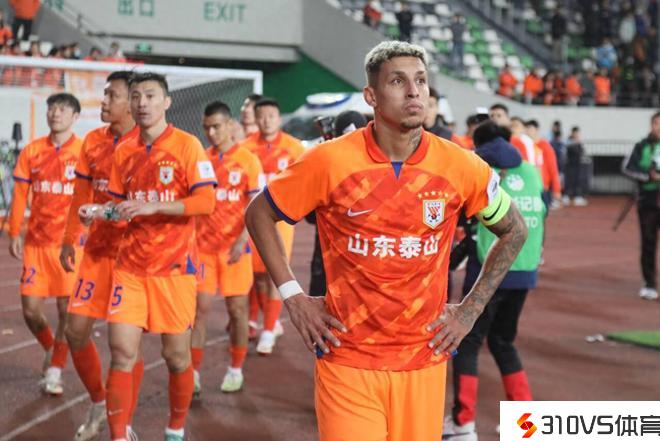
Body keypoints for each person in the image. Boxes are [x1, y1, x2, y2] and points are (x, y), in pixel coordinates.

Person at [245, 40, 527, 441]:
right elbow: (259, 213)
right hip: (348, 359)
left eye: (421, 81)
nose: (414, 92)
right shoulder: (328, 161)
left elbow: (515, 230)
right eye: (398, 81)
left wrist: (470, 311)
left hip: (424, 360)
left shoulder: (462, 165)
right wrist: (293, 297)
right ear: (371, 96)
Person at [92, 72, 217, 441]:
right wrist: (98, 212)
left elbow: (205, 202)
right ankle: (119, 435)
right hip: (130, 268)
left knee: (176, 357)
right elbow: (119, 206)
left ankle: (174, 429)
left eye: (150, 95)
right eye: (136, 96)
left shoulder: (188, 145)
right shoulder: (124, 151)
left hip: (174, 270)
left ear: (167, 102)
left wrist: (153, 207)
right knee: (121, 352)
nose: (142, 103)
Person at [444, 121, 544, 440]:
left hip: (491, 270)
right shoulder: (531, 172)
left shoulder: (482, 167)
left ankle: (463, 423)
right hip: (525, 270)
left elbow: (463, 214)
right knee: (503, 341)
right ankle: (525, 422)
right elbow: (542, 213)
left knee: (468, 342)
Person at [59, 71, 139, 441]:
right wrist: (68, 238)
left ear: (131, 102)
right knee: (75, 332)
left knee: (126, 346)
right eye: (104, 94)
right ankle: (98, 401)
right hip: (95, 252)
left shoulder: (146, 145)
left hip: (134, 258)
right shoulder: (92, 140)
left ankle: (124, 423)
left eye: (111, 95)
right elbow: (80, 196)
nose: (104, 101)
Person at [8, 93, 82, 395]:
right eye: (52, 108)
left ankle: (55, 370)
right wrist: (14, 230)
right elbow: (20, 195)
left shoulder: (83, 153)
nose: (55, 113)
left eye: (62, 109)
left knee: (66, 309)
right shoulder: (33, 150)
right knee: (30, 310)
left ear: (75, 117)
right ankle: (52, 347)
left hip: (69, 245)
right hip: (37, 244)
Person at [191, 101, 262, 394]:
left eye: (216, 126)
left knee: (237, 311)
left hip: (235, 250)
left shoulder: (248, 161)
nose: (211, 133)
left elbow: (256, 207)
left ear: (230, 125)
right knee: (199, 311)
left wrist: (243, 239)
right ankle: (193, 373)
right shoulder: (201, 160)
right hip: (203, 249)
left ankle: (235, 369)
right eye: (207, 127)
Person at [239, 97, 304, 355]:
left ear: (279, 118)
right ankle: (263, 320)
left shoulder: (294, 147)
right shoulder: (245, 149)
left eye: (272, 116)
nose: (267, 121)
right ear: (256, 118)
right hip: (252, 217)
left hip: (281, 219)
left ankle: (268, 329)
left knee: (275, 271)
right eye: (262, 116)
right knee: (256, 275)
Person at [305, 110, 368, 297]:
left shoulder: (381, 166)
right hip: (329, 260)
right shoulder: (325, 165)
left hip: (363, 258)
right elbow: (309, 216)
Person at [622, 112, 660, 301]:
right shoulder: (641, 145)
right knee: (648, 242)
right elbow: (627, 167)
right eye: (656, 123)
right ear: (651, 125)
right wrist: (647, 175)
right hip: (648, 201)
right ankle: (649, 283)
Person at [525, 119, 562, 209]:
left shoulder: (545, 146)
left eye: (530, 129)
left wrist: (556, 189)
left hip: (543, 187)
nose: (527, 132)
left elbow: (553, 168)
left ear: (537, 130)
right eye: (526, 129)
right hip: (528, 186)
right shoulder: (525, 146)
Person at [563, 126, 587, 206]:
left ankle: (577, 197)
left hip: (577, 165)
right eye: (576, 133)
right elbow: (570, 152)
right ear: (573, 133)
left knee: (578, 181)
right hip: (570, 165)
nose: (577, 135)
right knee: (569, 181)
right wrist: (576, 143)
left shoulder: (579, 143)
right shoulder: (569, 142)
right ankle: (566, 196)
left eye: (578, 133)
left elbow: (582, 152)